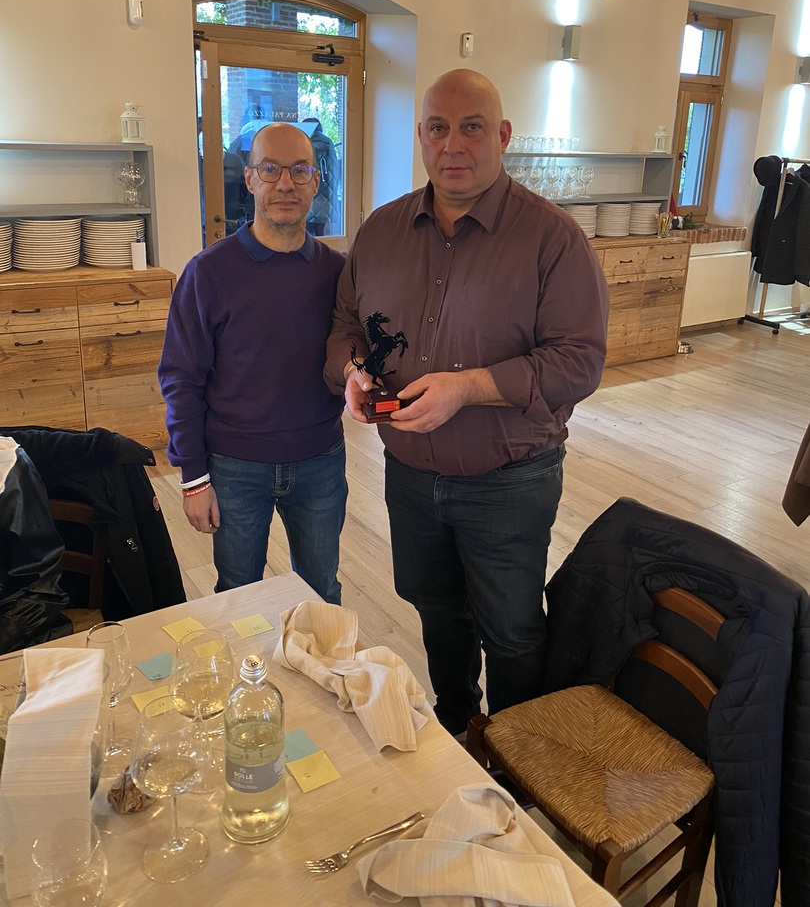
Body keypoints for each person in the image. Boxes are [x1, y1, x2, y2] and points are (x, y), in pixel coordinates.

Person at [325, 69, 609, 734]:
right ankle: (458, 728)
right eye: (438, 128)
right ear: (421, 137)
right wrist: (352, 372)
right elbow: (345, 326)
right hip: (409, 475)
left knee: (511, 630)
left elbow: (580, 361)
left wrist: (469, 387)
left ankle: (516, 754)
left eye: (471, 127)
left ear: (502, 135)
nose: (453, 144)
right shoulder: (381, 232)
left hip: (509, 480)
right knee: (436, 610)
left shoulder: (553, 239)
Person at [159, 123, 347, 603]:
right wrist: (193, 477)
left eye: (299, 170)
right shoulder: (208, 273)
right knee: (237, 598)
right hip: (234, 466)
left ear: (316, 180)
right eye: (270, 169)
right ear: (249, 179)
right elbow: (181, 379)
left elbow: (355, 349)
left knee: (322, 593)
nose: (285, 183)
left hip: (320, 460)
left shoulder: (337, 272)